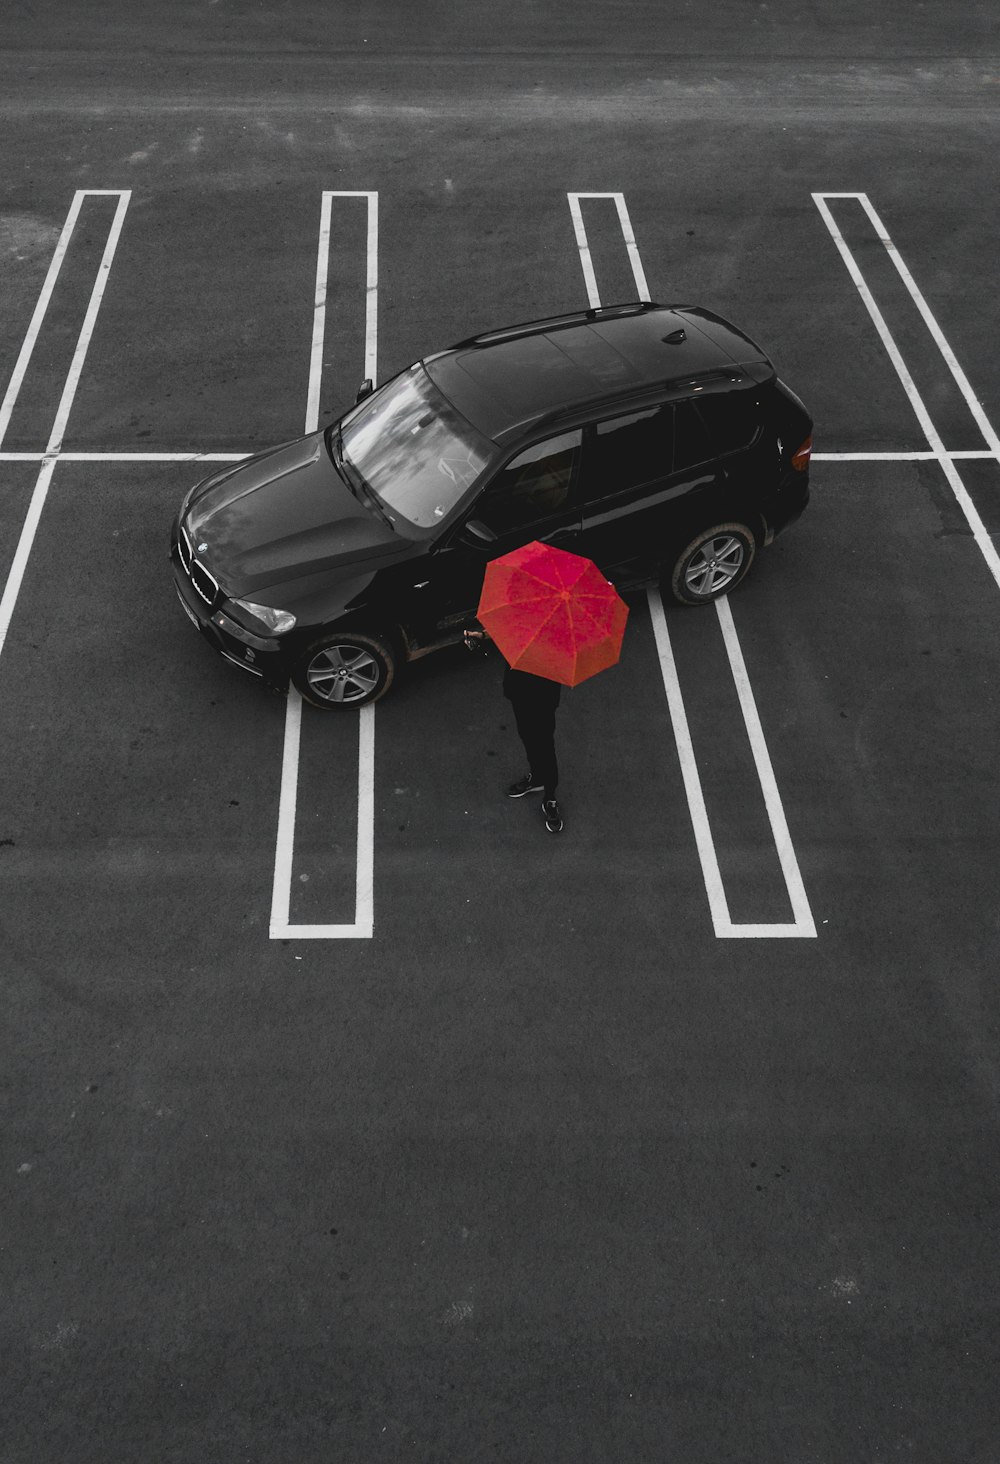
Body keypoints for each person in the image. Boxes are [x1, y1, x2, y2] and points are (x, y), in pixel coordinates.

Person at [464, 631, 564, 834]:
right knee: (527, 736)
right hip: (520, 687)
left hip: (543, 693)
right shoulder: (523, 613)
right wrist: (483, 636)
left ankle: (550, 796)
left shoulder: (558, 630)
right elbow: (505, 629)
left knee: (544, 743)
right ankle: (537, 778)